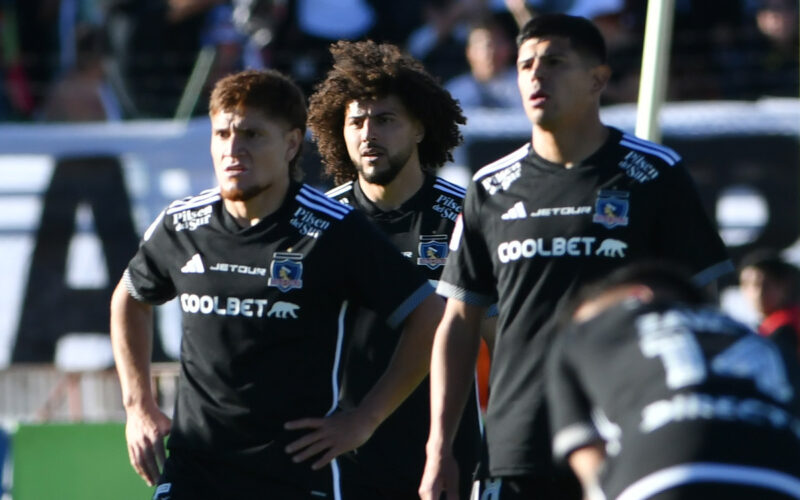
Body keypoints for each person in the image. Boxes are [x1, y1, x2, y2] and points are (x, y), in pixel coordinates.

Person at [419, 14, 733, 500]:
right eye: (525, 65)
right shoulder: (488, 188)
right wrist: (439, 449)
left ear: (598, 79)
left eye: (555, 62)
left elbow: (702, 308)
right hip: (518, 444)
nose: (536, 76)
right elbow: (459, 323)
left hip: (630, 439)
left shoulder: (655, 174)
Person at [110, 69, 445, 499]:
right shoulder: (181, 224)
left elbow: (429, 315)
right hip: (195, 467)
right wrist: (138, 405)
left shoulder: (333, 229)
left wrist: (365, 419)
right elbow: (130, 297)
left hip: (293, 474)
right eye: (222, 133)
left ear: (290, 144)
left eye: (251, 134)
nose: (233, 149)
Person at [308, 39, 482, 499]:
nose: (368, 134)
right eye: (356, 122)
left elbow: (503, 341)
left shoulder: (467, 217)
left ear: (421, 128)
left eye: (385, 120)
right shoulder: (316, 223)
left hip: (448, 457)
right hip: (342, 458)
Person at [547, 261, 800, 500]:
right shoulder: (757, 338)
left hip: (659, 478)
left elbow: (585, 453)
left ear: (638, 295)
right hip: (784, 480)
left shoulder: (586, 331)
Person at [445, 15, 522, 110]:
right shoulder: (455, 91)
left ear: (510, 47)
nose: (491, 52)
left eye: (498, 43)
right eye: (484, 46)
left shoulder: (524, 84)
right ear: (469, 51)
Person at [739, 249, 800, 358]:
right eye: (747, 284)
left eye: (765, 285)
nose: (757, 293)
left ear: (784, 286)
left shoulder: (784, 328)